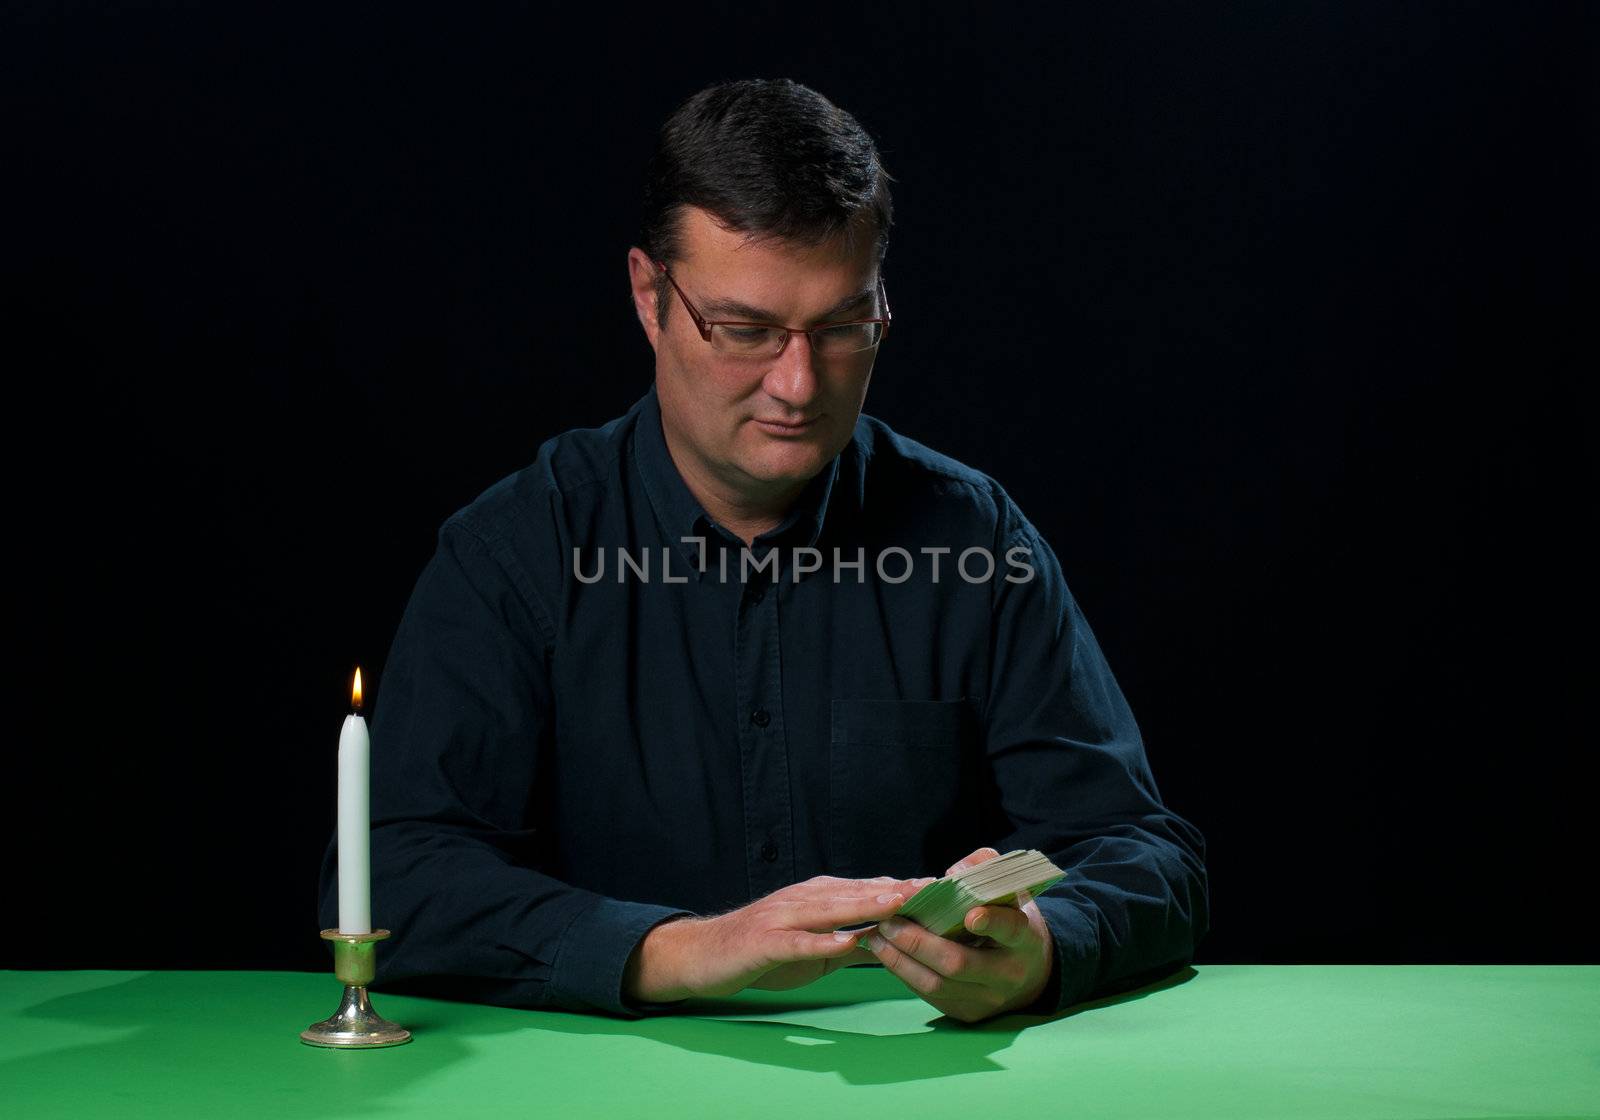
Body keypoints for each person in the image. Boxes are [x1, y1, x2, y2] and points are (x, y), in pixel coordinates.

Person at [317, 77, 1208, 1024]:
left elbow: (1149, 856)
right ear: (648, 296)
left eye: (842, 328)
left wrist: (1041, 953)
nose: (797, 383)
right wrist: (679, 952)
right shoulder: (512, 552)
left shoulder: (976, 538)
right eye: (744, 330)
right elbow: (391, 883)